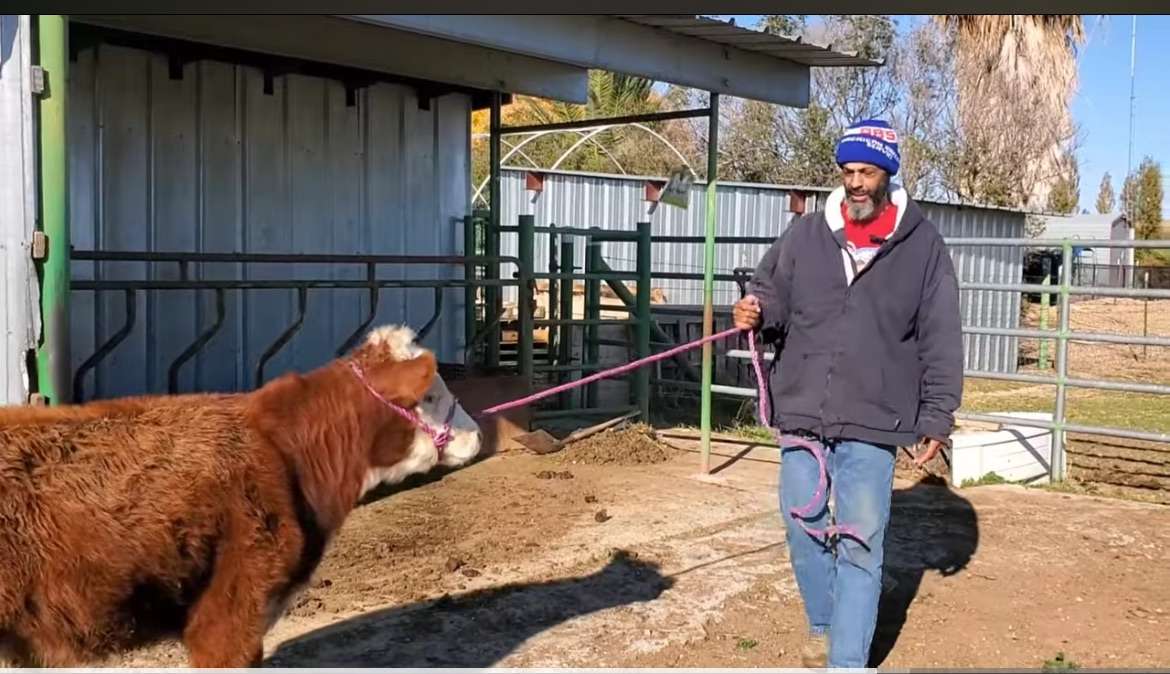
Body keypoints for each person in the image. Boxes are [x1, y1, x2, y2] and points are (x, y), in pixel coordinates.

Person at [732, 119, 964, 669]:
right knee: (800, 522)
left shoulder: (923, 245)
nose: (855, 182)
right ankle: (830, 619)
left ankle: (847, 660)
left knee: (862, 540)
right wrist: (757, 311)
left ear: (887, 173)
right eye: (847, 171)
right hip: (803, 405)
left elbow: (940, 332)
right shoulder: (807, 234)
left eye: (865, 171)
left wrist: (937, 416)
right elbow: (774, 295)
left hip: (875, 414)